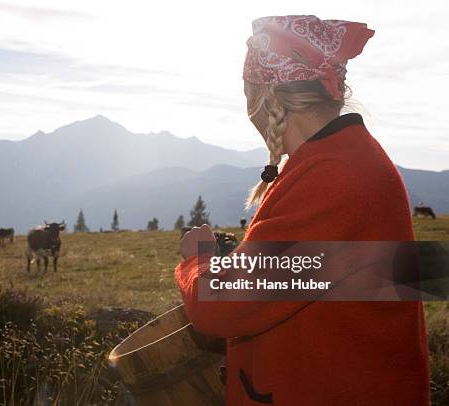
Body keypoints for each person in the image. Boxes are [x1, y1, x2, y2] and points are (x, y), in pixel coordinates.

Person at [176, 15, 429, 405]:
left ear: (264, 98)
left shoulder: (334, 177)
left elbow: (222, 308)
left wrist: (199, 258)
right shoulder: (347, 160)